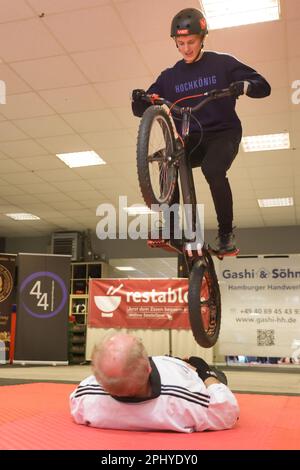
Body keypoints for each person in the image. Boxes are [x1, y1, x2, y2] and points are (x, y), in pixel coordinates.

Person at [131, 8, 271, 254]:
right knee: (167, 161)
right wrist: (139, 99)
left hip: (223, 133)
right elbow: (142, 108)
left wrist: (245, 86)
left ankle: (226, 233)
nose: (186, 48)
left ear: (202, 37)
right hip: (191, 137)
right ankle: (173, 229)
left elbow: (263, 86)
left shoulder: (222, 63)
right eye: (181, 43)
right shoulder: (170, 76)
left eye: (191, 42)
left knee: (213, 169)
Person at [70, 332, 239, 432]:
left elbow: (77, 399)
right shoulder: (183, 399)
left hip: (170, 366)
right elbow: (228, 411)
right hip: (187, 372)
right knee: (218, 377)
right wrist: (204, 372)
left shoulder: (85, 397)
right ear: (149, 367)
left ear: (98, 379)